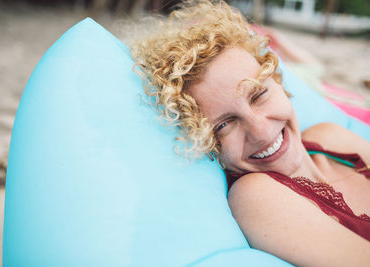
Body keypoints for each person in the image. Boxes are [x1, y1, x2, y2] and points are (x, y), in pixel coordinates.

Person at [131, 0, 370, 265]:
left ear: (278, 83)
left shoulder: (331, 137)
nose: (261, 130)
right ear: (205, 141)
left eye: (258, 95)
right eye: (224, 124)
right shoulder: (256, 196)